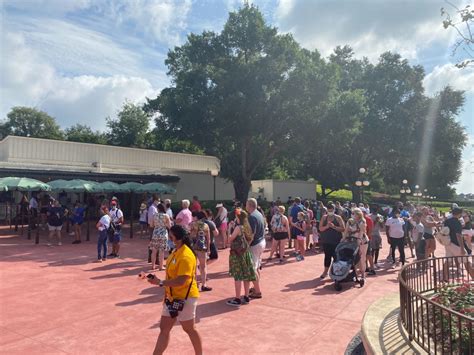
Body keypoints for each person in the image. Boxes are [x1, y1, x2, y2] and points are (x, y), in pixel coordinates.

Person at [147, 225, 202, 355]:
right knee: (164, 328)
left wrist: (160, 282)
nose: (169, 238)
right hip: (172, 298)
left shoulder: (186, 255)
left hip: (186, 298)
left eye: (170, 236)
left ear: (178, 238)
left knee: (189, 328)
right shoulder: (176, 251)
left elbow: (181, 280)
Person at [226, 209, 257, 307]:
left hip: (237, 254)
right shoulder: (247, 226)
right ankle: (246, 296)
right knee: (246, 275)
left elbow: (229, 240)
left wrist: (229, 228)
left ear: (238, 217)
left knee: (238, 276)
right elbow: (250, 239)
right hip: (245, 253)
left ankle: (237, 298)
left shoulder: (238, 227)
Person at [443, 208, 474, 280]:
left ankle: (445, 278)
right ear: (459, 213)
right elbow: (458, 235)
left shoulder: (447, 220)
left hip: (448, 243)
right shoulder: (457, 222)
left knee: (448, 261)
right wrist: (462, 248)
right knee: (466, 262)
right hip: (457, 245)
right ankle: (473, 277)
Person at [318, 203, 345, 279]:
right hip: (326, 240)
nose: (330, 212)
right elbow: (320, 228)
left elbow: (343, 228)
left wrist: (334, 227)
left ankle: (336, 271)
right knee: (327, 256)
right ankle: (325, 272)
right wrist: (327, 226)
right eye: (329, 211)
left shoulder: (338, 218)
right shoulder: (324, 217)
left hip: (336, 241)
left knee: (336, 257)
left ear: (334, 210)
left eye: (331, 210)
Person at [342, 208, 368, 284]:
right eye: (352, 213)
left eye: (354, 213)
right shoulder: (350, 221)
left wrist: (358, 241)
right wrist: (343, 239)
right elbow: (346, 231)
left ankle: (363, 275)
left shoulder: (362, 221)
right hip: (351, 241)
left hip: (362, 242)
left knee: (361, 258)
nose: (352, 214)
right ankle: (355, 274)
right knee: (353, 258)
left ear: (358, 214)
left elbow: (361, 233)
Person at [246, 198, 265, 299]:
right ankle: (255, 287)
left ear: (249, 205)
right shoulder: (259, 213)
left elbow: (251, 235)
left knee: (252, 269)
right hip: (261, 242)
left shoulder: (252, 217)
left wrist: (246, 246)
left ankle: (257, 291)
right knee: (256, 267)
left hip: (255, 244)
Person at [190, 211, 212, 292]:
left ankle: (194, 284)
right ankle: (204, 284)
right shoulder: (206, 225)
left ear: (196, 217)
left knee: (194, 266)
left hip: (193, 247)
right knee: (203, 266)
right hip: (202, 247)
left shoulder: (192, 224)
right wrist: (209, 249)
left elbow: (190, 235)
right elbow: (208, 239)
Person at [151, 204, 172, 271]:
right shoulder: (166, 216)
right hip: (163, 233)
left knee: (154, 250)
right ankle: (161, 266)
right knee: (161, 251)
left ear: (158, 209)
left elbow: (151, 225)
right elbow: (169, 226)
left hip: (155, 233)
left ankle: (153, 265)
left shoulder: (154, 215)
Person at [363, 208, 376, 275]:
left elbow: (370, 230)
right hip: (360, 240)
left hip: (367, 239)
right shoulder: (358, 220)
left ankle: (372, 269)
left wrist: (366, 238)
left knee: (368, 255)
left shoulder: (368, 219)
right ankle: (366, 267)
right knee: (363, 254)